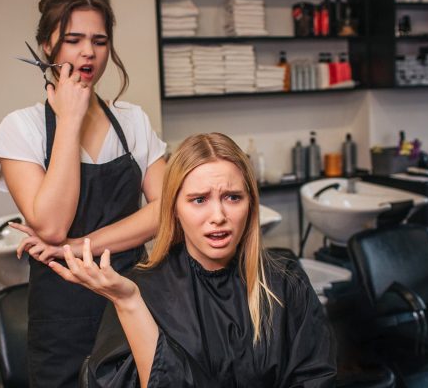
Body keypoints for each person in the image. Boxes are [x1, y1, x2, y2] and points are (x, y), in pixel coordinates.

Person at [50, 133, 336, 388]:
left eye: (233, 197)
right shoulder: (143, 291)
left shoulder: (285, 282)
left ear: (251, 203)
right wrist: (129, 304)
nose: (218, 216)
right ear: (174, 209)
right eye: (199, 200)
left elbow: (315, 376)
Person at [0, 0, 166, 386]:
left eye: (100, 41)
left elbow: (165, 210)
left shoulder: (133, 121)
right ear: (46, 44)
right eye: (73, 40)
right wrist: (70, 118)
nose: (89, 53)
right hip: (61, 318)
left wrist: (74, 247)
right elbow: (51, 225)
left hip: (131, 299)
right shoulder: (22, 128)